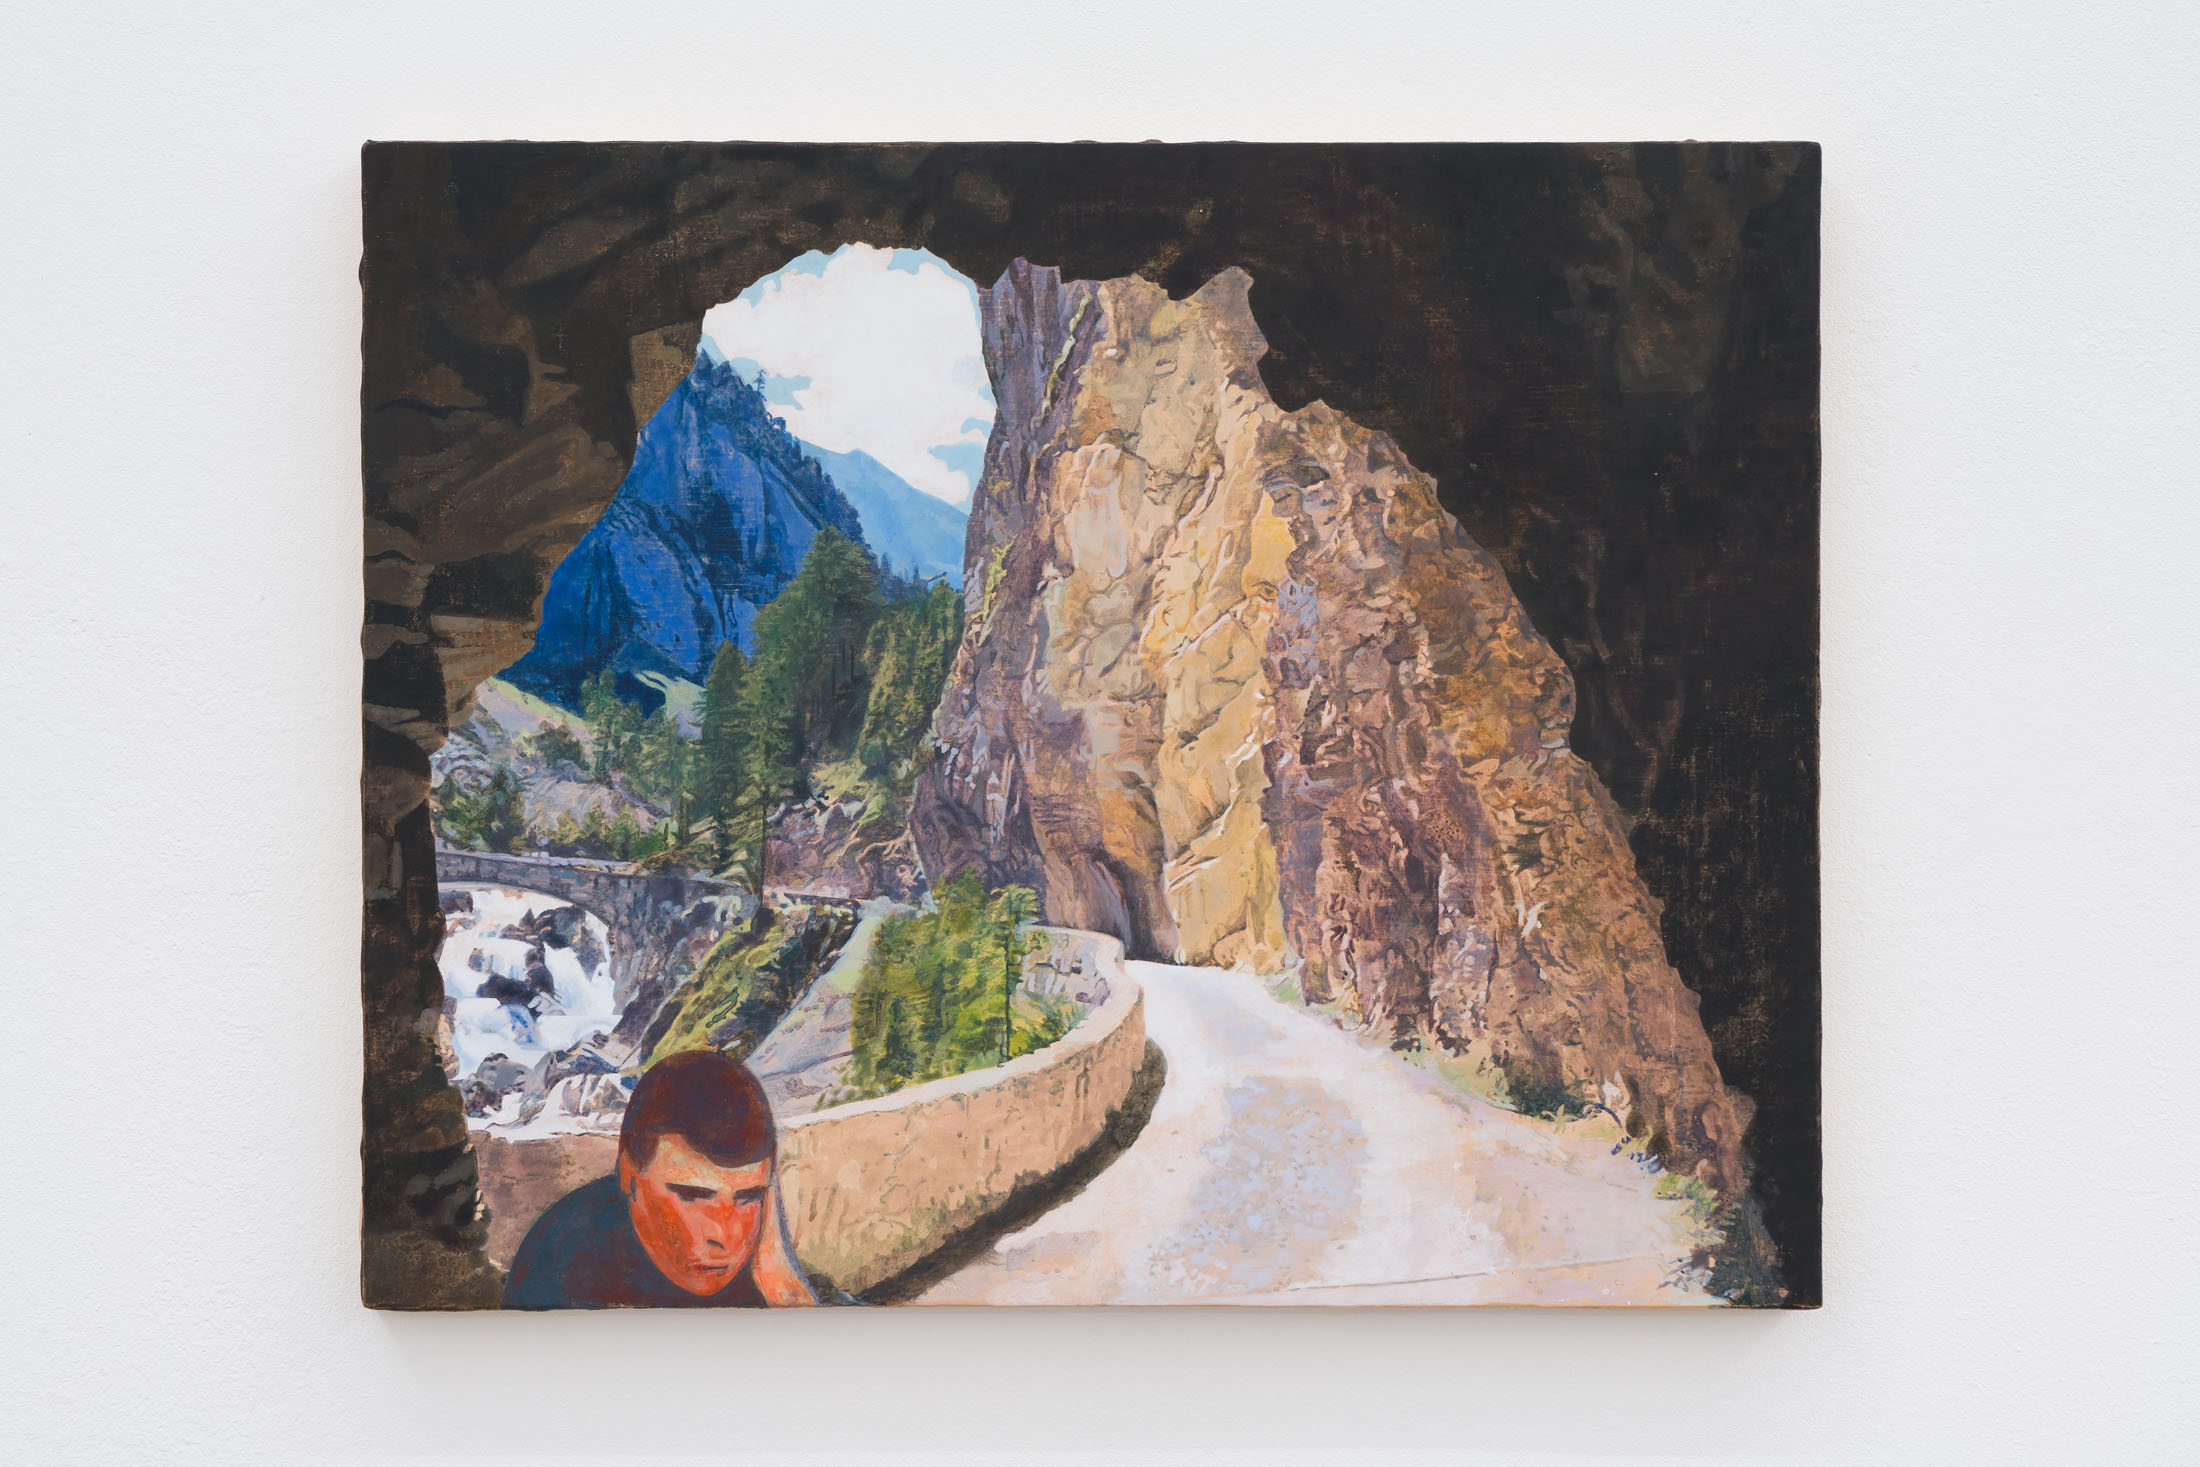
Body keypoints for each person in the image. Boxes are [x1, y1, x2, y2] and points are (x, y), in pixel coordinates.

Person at [502, 1050, 816, 1308]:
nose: (724, 1235)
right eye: (691, 1196)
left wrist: (780, 1281)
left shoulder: (762, 1269)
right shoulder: (561, 1263)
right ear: (629, 1176)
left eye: (749, 1196)